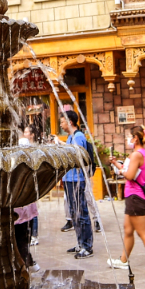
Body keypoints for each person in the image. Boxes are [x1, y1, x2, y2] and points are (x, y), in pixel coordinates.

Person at [108, 126, 145, 277]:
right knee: (128, 229)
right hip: (133, 197)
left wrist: (121, 171)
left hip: (136, 197)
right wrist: (116, 164)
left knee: (143, 233)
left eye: (129, 137)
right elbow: (132, 173)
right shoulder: (142, 154)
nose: (128, 139)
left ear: (135, 138)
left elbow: (129, 175)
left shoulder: (136, 155)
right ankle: (123, 260)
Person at [58, 110, 94, 259]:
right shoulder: (70, 137)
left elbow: (77, 158)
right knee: (74, 213)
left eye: (62, 122)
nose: (61, 124)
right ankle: (80, 243)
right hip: (69, 179)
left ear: (70, 122)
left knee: (81, 212)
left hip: (76, 179)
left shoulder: (78, 137)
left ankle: (87, 246)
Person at [18, 124, 40, 246]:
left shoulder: (33, 150)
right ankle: (30, 234)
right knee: (30, 210)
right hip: (27, 184)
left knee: (32, 211)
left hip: (29, 184)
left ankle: (34, 235)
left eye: (27, 132)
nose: (25, 133)